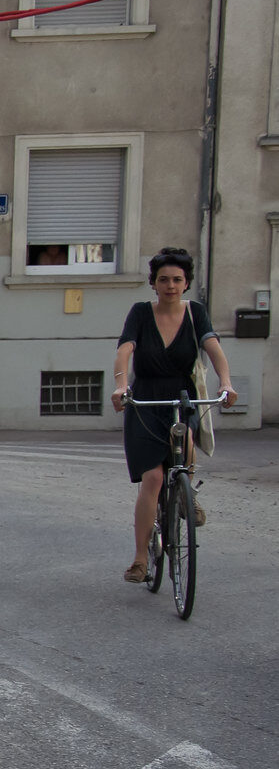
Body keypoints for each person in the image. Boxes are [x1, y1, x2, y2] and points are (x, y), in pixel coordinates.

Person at [111, 247, 236, 582]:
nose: (170, 285)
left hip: (182, 395)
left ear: (186, 283)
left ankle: (186, 490)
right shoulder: (140, 313)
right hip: (146, 399)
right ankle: (140, 559)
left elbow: (213, 347)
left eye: (177, 279)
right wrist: (121, 387)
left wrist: (226, 382)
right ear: (154, 283)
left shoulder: (195, 313)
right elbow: (125, 350)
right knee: (152, 478)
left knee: (187, 440)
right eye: (163, 279)